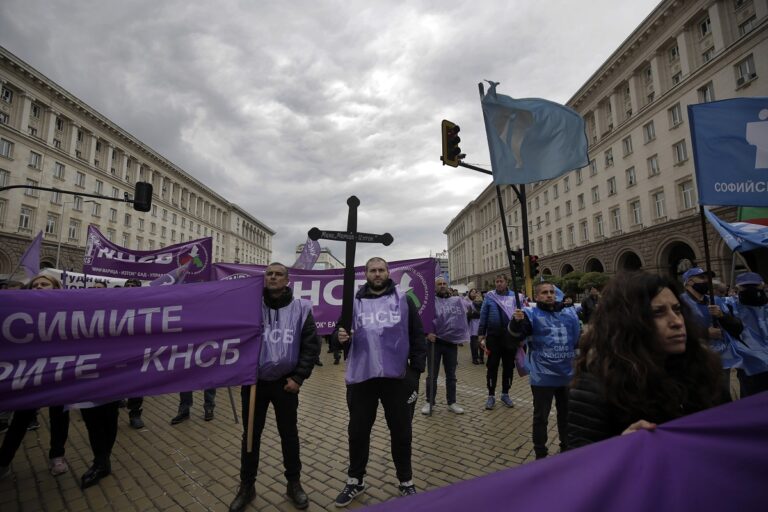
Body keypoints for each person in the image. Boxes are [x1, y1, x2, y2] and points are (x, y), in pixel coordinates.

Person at [568, 272, 723, 448]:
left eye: (677, 309)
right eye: (658, 313)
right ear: (626, 322)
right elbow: (579, 462)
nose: (676, 322)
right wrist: (619, 449)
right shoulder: (595, 386)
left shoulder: (704, 368)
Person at [333, 257, 426, 506]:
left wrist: (415, 375)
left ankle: (406, 480)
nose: (377, 274)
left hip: (396, 378)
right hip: (362, 378)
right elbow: (336, 334)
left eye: (381, 270)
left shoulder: (404, 301)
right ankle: (355, 480)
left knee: (402, 431)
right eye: (372, 270)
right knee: (358, 431)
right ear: (365, 274)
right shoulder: (352, 303)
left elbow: (418, 337)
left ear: (388, 273)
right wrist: (339, 337)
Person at [229, 262, 319, 512]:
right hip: (254, 382)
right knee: (250, 436)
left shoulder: (301, 308)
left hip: (286, 384)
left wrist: (298, 378)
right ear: (264, 279)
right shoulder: (250, 307)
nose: (273, 277)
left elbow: (310, 347)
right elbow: (235, 338)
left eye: (279, 274)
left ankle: (293, 483)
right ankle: (247, 486)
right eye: (269, 274)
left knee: (289, 435)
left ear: (287, 280)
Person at [0, 274, 70, 480]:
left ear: (56, 288)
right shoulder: (20, 311)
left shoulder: (69, 310)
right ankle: (4, 460)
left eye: (44, 284)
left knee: (59, 416)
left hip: (59, 371)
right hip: (30, 373)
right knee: (21, 417)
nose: (38, 287)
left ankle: (57, 456)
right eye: (35, 285)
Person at [509, 282, 580, 459]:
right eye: (544, 292)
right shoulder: (530, 315)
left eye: (552, 292)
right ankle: (541, 452)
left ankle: (567, 447)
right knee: (541, 417)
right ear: (537, 296)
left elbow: (577, 341)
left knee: (567, 415)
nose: (549, 295)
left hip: (566, 375)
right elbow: (519, 334)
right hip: (543, 377)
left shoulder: (569, 314)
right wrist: (516, 323)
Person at [679, 267, 743, 400]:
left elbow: (737, 327)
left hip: (722, 360)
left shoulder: (716, 300)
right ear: (690, 282)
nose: (706, 281)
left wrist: (722, 316)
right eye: (702, 278)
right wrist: (705, 333)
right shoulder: (680, 303)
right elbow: (678, 332)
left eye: (708, 278)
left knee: (724, 397)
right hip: (696, 360)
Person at [421, 277, 469, 415]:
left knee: (451, 375)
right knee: (432, 375)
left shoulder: (456, 301)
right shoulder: (429, 302)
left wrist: (460, 335)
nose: (442, 286)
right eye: (439, 284)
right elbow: (422, 320)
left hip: (450, 343)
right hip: (434, 342)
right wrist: (427, 334)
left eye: (444, 284)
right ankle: (429, 402)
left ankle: (452, 402)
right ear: (434, 287)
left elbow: (461, 319)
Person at [478, 274, 525, 409]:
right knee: (492, 366)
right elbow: (483, 316)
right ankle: (491, 395)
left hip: (510, 337)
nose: (498, 284)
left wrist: (521, 337)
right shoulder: (489, 297)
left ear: (507, 282)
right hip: (493, 337)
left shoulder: (516, 297)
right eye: (497, 281)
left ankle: (505, 394)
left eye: (501, 281)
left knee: (509, 366)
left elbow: (523, 317)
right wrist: (481, 334)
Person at [726, 272, 768, 397]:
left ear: (762, 286)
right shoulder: (731, 307)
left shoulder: (765, 307)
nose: (750, 290)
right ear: (738, 288)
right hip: (749, 365)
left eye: (754, 286)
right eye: (746, 287)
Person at [122, 278, 146, 429]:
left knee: (137, 383)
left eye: (133, 285)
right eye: (128, 285)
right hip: (117, 352)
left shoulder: (144, 306)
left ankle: (135, 413)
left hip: (137, 351)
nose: (130, 288)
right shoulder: (114, 303)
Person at [467, 289, 484, 364]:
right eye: (477, 295)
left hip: (477, 325)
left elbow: (469, 315)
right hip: (477, 325)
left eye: (479, 295)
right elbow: (469, 315)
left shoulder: (482, 304)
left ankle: (478, 358)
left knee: (478, 342)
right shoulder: (472, 304)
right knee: (478, 342)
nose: (477, 296)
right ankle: (478, 358)